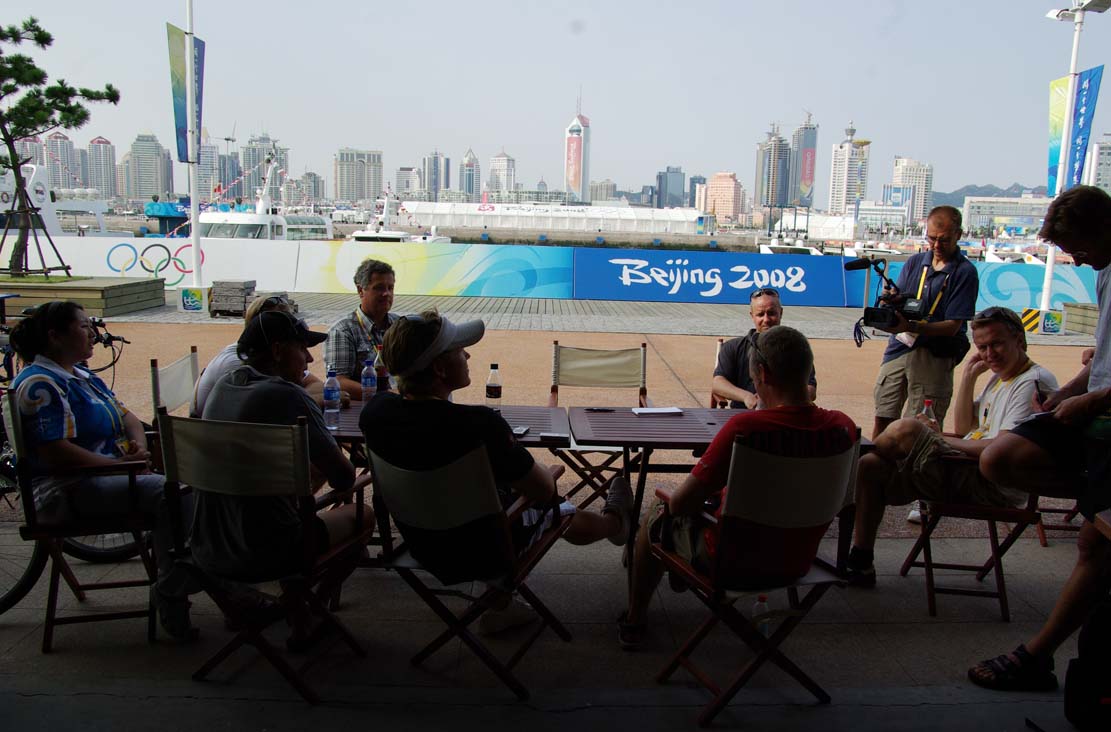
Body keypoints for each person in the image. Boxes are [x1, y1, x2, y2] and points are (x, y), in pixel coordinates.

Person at [361, 310, 634, 635]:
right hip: (485, 550)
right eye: (459, 350)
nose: (468, 354)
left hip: (421, 543)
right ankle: (616, 522)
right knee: (555, 508)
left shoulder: (375, 413)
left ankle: (502, 605)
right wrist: (547, 471)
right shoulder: (478, 425)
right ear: (439, 368)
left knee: (508, 496)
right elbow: (544, 491)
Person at [618, 326, 857, 650]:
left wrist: (671, 503)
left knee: (656, 514)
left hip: (731, 562)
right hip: (798, 560)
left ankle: (635, 619)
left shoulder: (746, 428)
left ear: (762, 373)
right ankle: (677, 570)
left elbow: (682, 504)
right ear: (806, 369)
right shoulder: (842, 427)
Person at [968, 185, 1111, 692]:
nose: (1076, 258)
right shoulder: (1105, 272)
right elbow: (1103, 361)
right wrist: (1071, 391)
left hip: (1105, 419)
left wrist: (1089, 401)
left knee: (1096, 544)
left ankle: (1038, 654)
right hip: (1093, 412)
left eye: (1080, 246)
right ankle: (1096, 501)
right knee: (1001, 459)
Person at [9, 301, 196, 640]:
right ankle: (175, 589)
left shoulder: (79, 374)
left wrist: (137, 446)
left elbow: (125, 415)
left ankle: (188, 576)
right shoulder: (41, 385)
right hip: (68, 490)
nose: (93, 335)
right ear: (55, 336)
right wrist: (116, 465)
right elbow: (55, 453)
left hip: (106, 476)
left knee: (187, 486)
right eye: (84, 327)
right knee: (174, 494)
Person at [844, 307, 1059, 586]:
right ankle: (861, 562)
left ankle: (841, 472)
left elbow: (1003, 450)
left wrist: (935, 438)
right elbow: (965, 429)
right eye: (982, 347)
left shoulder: (1032, 381)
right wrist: (969, 375)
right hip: (966, 468)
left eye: (996, 344)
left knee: (906, 428)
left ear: (1019, 340)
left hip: (991, 482)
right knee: (870, 466)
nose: (989, 353)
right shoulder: (1000, 375)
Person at [198, 311, 374, 642]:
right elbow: (343, 477)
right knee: (363, 515)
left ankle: (296, 609)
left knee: (285, 511)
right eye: (302, 348)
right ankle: (308, 609)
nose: (309, 358)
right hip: (271, 547)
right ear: (278, 350)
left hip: (211, 541)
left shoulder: (223, 386)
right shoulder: (288, 396)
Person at [871, 206, 979, 523]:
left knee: (925, 425)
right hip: (899, 349)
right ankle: (875, 479)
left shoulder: (963, 272)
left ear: (959, 234)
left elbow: (954, 325)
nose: (935, 245)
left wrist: (913, 327)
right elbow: (904, 301)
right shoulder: (916, 262)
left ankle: (923, 496)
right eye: (931, 238)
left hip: (935, 352)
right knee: (884, 414)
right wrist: (891, 301)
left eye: (943, 239)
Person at [191, 294, 324, 417]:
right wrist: (305, 400)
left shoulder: (253, 361)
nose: (310, 358)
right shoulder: (238, 367)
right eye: (301, 347)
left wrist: (302, 398)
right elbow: (280, 407)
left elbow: (316, 385)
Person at [712, 288, 817, 408]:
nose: (766, 320)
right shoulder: (733, 347)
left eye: (771, 313)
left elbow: (811, 389)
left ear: (781, 313)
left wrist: (779, 403)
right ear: (752, 315)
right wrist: (747, 397)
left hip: (786, 415)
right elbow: (718, 383)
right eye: (760, 314)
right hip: (744, 414)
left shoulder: (796, 347)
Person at [324, 258, 398, 396]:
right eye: (379, 288)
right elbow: (339, 381)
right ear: (360, 290)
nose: (386, 293)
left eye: (390, 288)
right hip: (367, 408)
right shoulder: (342, 331)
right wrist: (387, 396)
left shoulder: (400, 325)